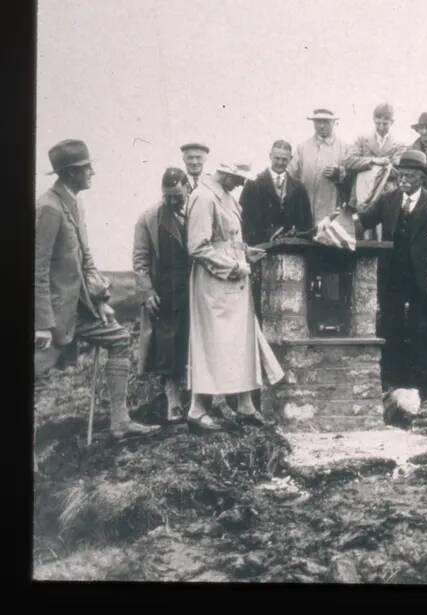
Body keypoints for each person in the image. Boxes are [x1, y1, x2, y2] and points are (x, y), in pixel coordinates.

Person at [35, 139, 159, 438]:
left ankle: (120, 422)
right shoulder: (48, 208)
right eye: (85, 168)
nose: (92, 172)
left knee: (118, 339)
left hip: (81, 308)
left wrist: (101, 299)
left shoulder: (74, 202)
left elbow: (86, 257)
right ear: (69, 174)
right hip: (52, 317)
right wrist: (41, 324)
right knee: (36, 376)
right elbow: (36, 269)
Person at [186, 162, 284, 431]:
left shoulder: (226, 196)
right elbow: (198, 247)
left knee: (239, 342)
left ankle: (244, 405)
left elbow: (227, 240)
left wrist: (245, 251)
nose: (242, 184)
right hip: (216, 285)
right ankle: (197, 409)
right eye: (239, 178)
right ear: (226, 173)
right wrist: (232, 266)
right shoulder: (204, 197)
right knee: (212, 343)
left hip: (234, 283)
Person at [358, 150, 427, 385]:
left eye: (409, 177)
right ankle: (390, 379)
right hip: (392, 274)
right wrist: (342, 221)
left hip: (423, 277)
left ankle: (419, 381)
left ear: (421, 178)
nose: (403, 181)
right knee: (390, 325)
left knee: (422, 327)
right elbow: (363, 221)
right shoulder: (388, 200)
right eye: (400, 176)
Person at [133, 167, 193, 424]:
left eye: (177, 196)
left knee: (195, 344)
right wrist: (147, 292)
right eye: (167, 196)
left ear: (188, 189)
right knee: (168, 347)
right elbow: (140, 260)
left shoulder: (198, 213)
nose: (172, 201)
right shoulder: (149, 218)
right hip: (166, 294)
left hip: (195, 291)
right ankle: (173, 401)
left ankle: (201, 399)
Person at [346, 103, 409, 238]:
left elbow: (398, 169)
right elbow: (349, 160)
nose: (381, 127)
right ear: (373, 120)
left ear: (392, 122)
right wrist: (374, 161)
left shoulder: (399, 144)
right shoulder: (362, 140)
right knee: (361, 231)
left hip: (387, 194)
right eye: (378, 123)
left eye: (385, 124)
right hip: (361, 194)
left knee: (384, 234)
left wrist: (383, 170)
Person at [241, 140, 314, 246]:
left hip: (291, 248)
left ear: (291, 159)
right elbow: (245, 220)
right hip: (261, 247)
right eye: (277, 158)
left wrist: (297, 233)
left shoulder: (299, 188)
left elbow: (307, 222)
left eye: (284, 159)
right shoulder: (253, 184)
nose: (280, 162)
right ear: (270, 156)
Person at [288, 108, 350, 220]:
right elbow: (290, 175)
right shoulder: (302, 148)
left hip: (332, 211)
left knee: (327, 235)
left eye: (325, 121)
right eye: (318, 121)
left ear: (333, 123)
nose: (321, 126)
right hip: (305, 209)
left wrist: (339, 173)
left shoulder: (344, 148)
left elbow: (352, 178)